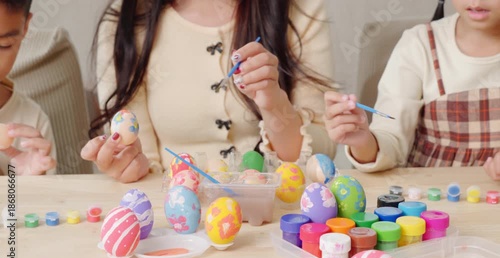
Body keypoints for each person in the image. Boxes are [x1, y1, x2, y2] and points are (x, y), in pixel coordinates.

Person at [81, 0, 337, 183]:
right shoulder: (125, 21)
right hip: (175, 220)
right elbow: (144, 168)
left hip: (271, 216)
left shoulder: (299, 8)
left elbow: (321, 157)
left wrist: (274, 105)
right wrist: (127, 165)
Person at [324, 0, 500, 180]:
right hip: (432, 198)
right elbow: (391, 142)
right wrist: (363, 142)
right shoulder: (419, 44)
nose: (476, 1)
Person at [0, 0, 56, 175]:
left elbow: (49, 200)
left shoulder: (33, 123)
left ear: (25, 27)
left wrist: (26, 184)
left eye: (3, 45)